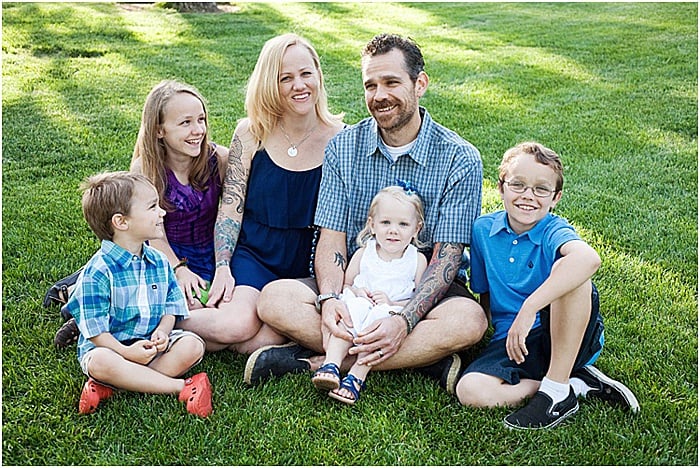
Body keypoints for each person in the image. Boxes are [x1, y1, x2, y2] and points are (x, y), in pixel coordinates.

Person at [248, 33, 488, 395]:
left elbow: (447, 258)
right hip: (356, 283)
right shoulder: (343, 147)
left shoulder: (459, 157)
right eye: (370, 85)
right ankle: (424, 358)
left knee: (469, 321)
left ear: (419, 83)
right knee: (274, 299)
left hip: (416, 285)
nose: (379, 95)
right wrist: (329, 299)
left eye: (391, 82)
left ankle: (324, 360)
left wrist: (406, 320)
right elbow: (332, 237)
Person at [173, 33, 345, 352]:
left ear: (318, 75)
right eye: (286, 78)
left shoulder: (342, 140)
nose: (299, 85)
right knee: (236, 326)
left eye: (306, 73)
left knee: (256, 340)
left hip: (308, 262)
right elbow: (230, 208)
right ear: (270, 83)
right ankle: (147, 319)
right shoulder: (251, 132)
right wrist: (223, 266)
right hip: (255, 255)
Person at [455, 142, 639, 430]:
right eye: (518, 185)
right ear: (501, 187)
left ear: (556, 198)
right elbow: (485, 294)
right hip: (512, 340)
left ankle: (554, 394)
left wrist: (530, 308)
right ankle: (574, 384)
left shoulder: (554, 229)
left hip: (564, 334)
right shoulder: (482, 230)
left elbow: (589, 259)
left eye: (541, 189)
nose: (528, 196)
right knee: (470, 390)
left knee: (571, 272)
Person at [51, 80, 229, 349]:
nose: (198, 131)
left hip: (208, 255)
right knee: (179, 304)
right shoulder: (147, 168)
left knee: (219, 312)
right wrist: (178, 269)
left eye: (201, 119)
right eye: (185, 123)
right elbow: (151, 230)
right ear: (159, 130)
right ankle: (94, 306)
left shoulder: (219, 160)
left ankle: (93, 299)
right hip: (164, 255)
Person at [62, 171, 212, 417]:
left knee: (193, 346)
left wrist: (163, 332)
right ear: (121, 222)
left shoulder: (159, 261)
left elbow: (170, 307)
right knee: (99, 361)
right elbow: (96, 333)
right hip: (112, 349)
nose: (162, 213)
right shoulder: (97, 272)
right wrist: (125, 353)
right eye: (153, 207)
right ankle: (182, 387)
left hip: (152, 346)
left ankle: (114, 385)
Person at [311, 185, 428, 404]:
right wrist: (358, 292)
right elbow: (347, 283)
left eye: (403, 224)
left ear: (416, 229)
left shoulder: (416, 260)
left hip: (391, 312)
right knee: (350, 312)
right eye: (386, 223)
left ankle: (357, 374)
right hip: (361, 303)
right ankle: (332, 364)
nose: (393, 230)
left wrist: (392, 302)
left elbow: (417, 298)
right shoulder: (364, 253)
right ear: (372, 225)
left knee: (380, 323)